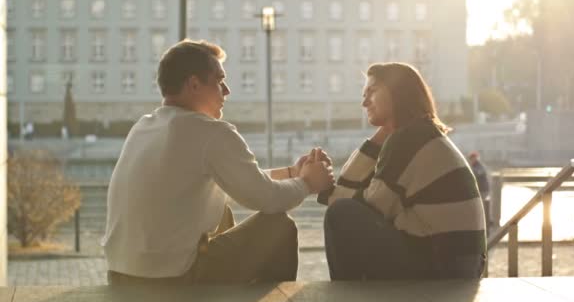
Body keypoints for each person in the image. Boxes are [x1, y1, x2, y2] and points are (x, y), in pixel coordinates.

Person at [102, 39, 335, 285]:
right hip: (173, 279)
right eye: (219, 81)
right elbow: (267, 199)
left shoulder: (144, 127)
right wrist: (308, 183)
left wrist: (291, 173)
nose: (227, 90)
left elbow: (227, 182)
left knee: (220, 208)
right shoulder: (210, 133)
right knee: (278, 226)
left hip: (121, 275)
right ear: (194, 84)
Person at [319, 62, 487, 280]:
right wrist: (381, 135)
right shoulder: (420, 132)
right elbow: (360, 195)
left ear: (397, 93)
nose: (364, 102)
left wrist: (325, 188)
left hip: (445, 266)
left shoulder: (408, 139)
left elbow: (371, 206)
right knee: (343, 210)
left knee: (339, 215)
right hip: (462, 262)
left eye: (372, 91)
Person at [468, 151, 492, 229]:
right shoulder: (474, 165)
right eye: (471, 159)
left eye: (472, 158)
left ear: (476, 158)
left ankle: (486, 222)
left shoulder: (479, 166)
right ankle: (485, 221)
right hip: (481, 189)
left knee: (481, 206)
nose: (471, 160)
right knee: (480, 206)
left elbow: (478, 173)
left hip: (483, 190)